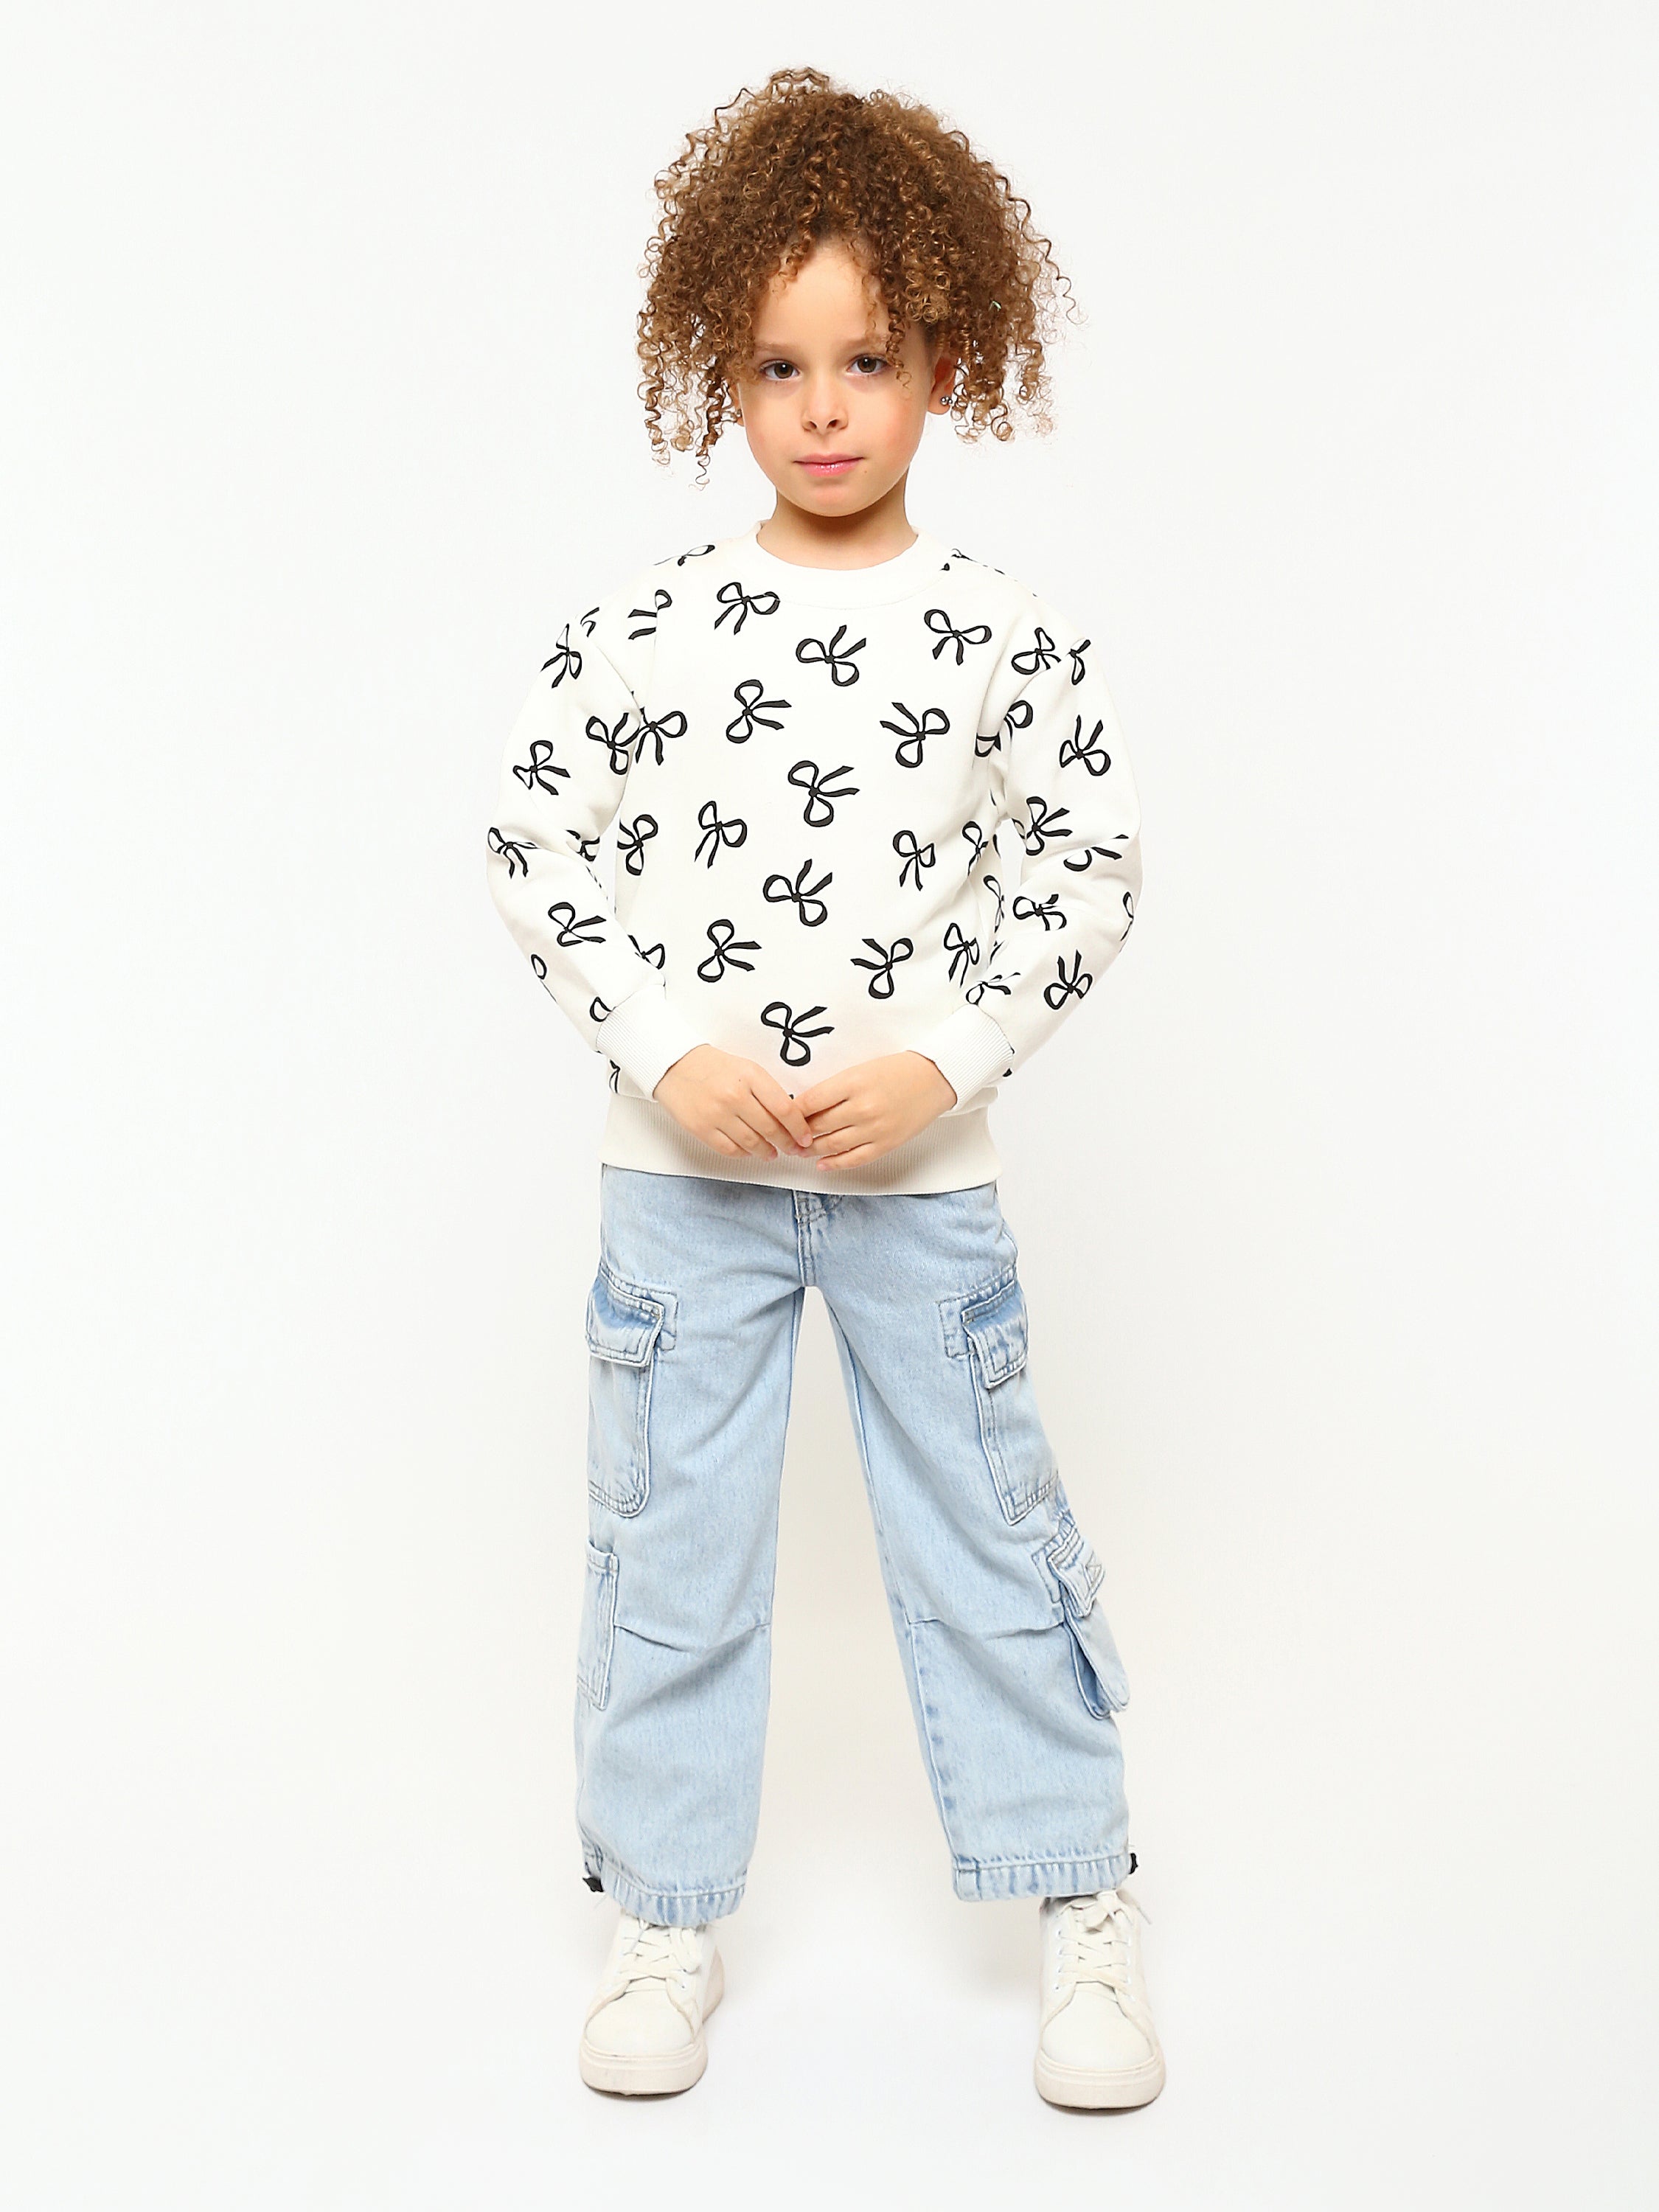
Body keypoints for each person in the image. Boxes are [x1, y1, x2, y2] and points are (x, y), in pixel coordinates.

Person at [484, 65, 1164, 2110]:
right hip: (680, 1192)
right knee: (673, 1551)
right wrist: (668, 1053)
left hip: (918, 1199)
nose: (826, 408)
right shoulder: (648, 631)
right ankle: (662, 1914)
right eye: (778, 366)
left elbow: (1085, 868)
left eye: (868, 359)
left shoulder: (1002, 639)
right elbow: (534, 840)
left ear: (948, 360)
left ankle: (1081, 1899)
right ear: (720, 370)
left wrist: (944, 1061)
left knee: (989, 1542)